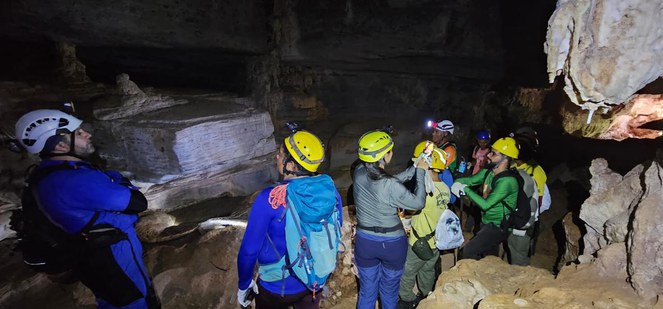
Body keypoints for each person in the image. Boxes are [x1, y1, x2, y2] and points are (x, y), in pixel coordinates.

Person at [14, 109, 159, 308]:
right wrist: (117, 178)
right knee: (134, 301)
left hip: (91, 256)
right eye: (78, 133)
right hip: (111, 257)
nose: (86, 134)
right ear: (60, 145)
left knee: (111, 300)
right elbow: (137, 202)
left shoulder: (48, 172)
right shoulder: (72, 181)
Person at [236, 127, 342, 309]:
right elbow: (334, 233)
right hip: (313, 281)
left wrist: (244, 285)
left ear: (291, 165)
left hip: (276, 287)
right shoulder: (329, 192)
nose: (277, 157)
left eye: (280, 154)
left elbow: (249, 250)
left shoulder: (270, 198)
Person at [353, 129, 428, 309]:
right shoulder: (390, 185)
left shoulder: (359, 171)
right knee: (389, 291)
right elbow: (418, 202)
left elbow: (386, 181)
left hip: (365, 242)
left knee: (367, 290)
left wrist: (413, 168)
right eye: (390, 150)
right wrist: (421, 173)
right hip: (392, 245)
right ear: (385, 155)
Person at [398, 142, 450, 309]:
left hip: (419, 242)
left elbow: (413, 209)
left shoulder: (426, 193)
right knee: (427, 270)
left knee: (407, 272)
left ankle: (407, 299)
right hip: (435, 241)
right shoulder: (445, 189)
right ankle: (427, 295)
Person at [450, 137, 520, 261]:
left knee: (467, 252)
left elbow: (486, 204)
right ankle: (491, 278)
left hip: (498, 227)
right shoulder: (489, 171)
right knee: (490, 258)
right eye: (490, 151)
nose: (488, 155)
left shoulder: (508, 181)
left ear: (506, 158)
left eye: (493, 153)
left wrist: (465, 189)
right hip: (486, 221)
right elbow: (471, 180)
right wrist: (455, 182)